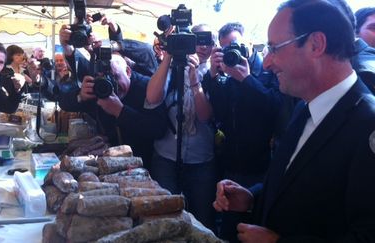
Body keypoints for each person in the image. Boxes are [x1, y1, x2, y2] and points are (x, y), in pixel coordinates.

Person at [214, 1, 375, 242]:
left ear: (316, 44)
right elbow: (292, 183)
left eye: (275, 48)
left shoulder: (368, 124)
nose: (267, 62)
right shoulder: (304, 106)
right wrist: (251, 199)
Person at [203, 22, 281, 241]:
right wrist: (213, 75)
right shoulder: (225, 71)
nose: (232, 52)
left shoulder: (267, 69)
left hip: (260, 165)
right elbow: (218, 112)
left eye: (235, 45)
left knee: (256, 227)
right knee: (229, 229)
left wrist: (246, 79)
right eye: (226, 48)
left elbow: (274, 109)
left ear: (247, 43)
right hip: (231, 164)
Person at [145, 23, 217, 232]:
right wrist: (170, 54)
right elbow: (152, 98)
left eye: (208, 41)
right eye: (198, 40)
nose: (203, 46)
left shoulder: (215, 73)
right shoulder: (172, 69)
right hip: (166, 157)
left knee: (202, 221)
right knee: (165, 219)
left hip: (201, 160)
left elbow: (205, 117)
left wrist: (195, 82)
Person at [59, 53, 167, 166]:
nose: (112, 84)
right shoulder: (100, 88)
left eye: (115, 77)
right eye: (105, 78)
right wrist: (80, 95)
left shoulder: (148, 87)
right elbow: (64, 103)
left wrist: (120, 111)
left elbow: (158, 129)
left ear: (128, 72)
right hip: (106, 160)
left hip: (143, 161)